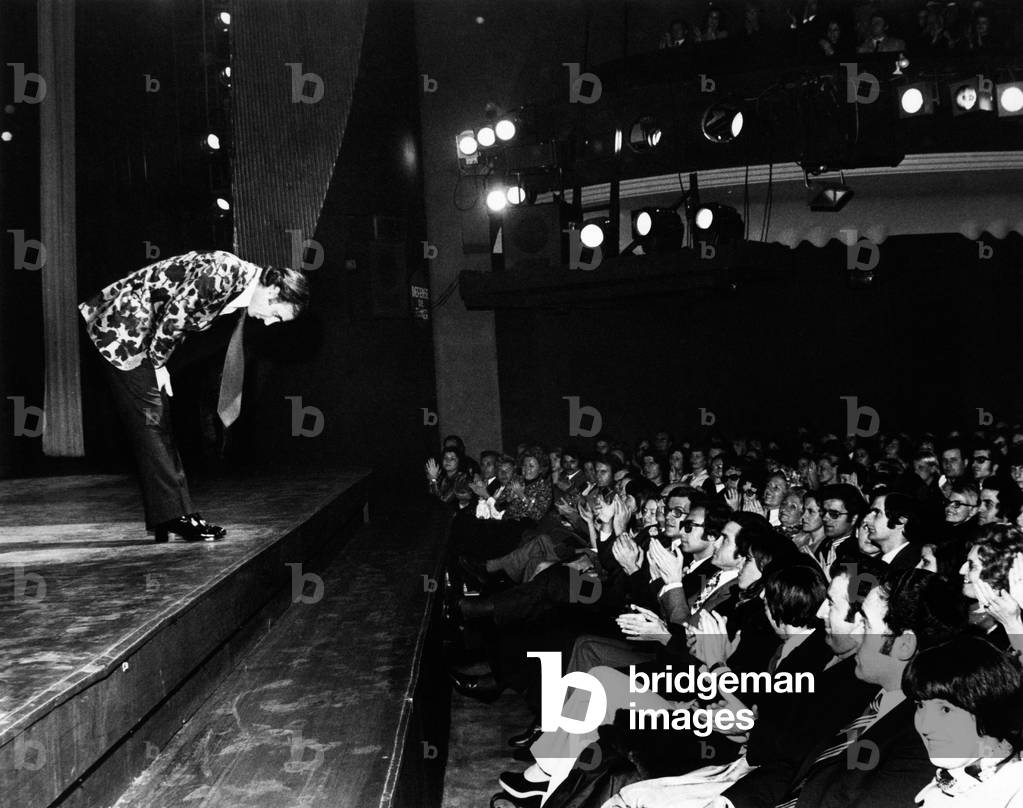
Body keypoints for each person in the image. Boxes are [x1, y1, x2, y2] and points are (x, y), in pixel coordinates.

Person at [79, 250, 308, 542]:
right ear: (274, 290)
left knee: (156, 420)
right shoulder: (225, 273)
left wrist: (160, 363)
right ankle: (175, 515)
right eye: (277, 314)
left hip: (140, 336)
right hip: (123, 332)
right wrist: (159, 365)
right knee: (152, 421)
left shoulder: (238, 282)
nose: (269, 322)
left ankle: (172, 514)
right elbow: (176, 316)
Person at [905, 635, 1023, 807]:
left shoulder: (1015, 791)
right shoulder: (952, 782)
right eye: (920, 706)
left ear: (988, 709)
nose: (924, 726)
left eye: (945, 709)